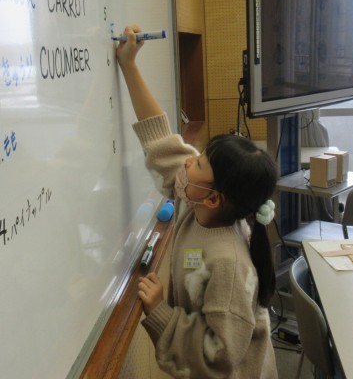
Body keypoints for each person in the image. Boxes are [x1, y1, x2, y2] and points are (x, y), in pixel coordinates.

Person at [116, 25, 280, 378]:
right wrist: (129, 65)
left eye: (199, 162)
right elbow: (161, 140)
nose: (189, 161)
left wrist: (161, 313)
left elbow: (220, 356)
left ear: (213, 198)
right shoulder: (200, 202)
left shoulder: (228, 265)